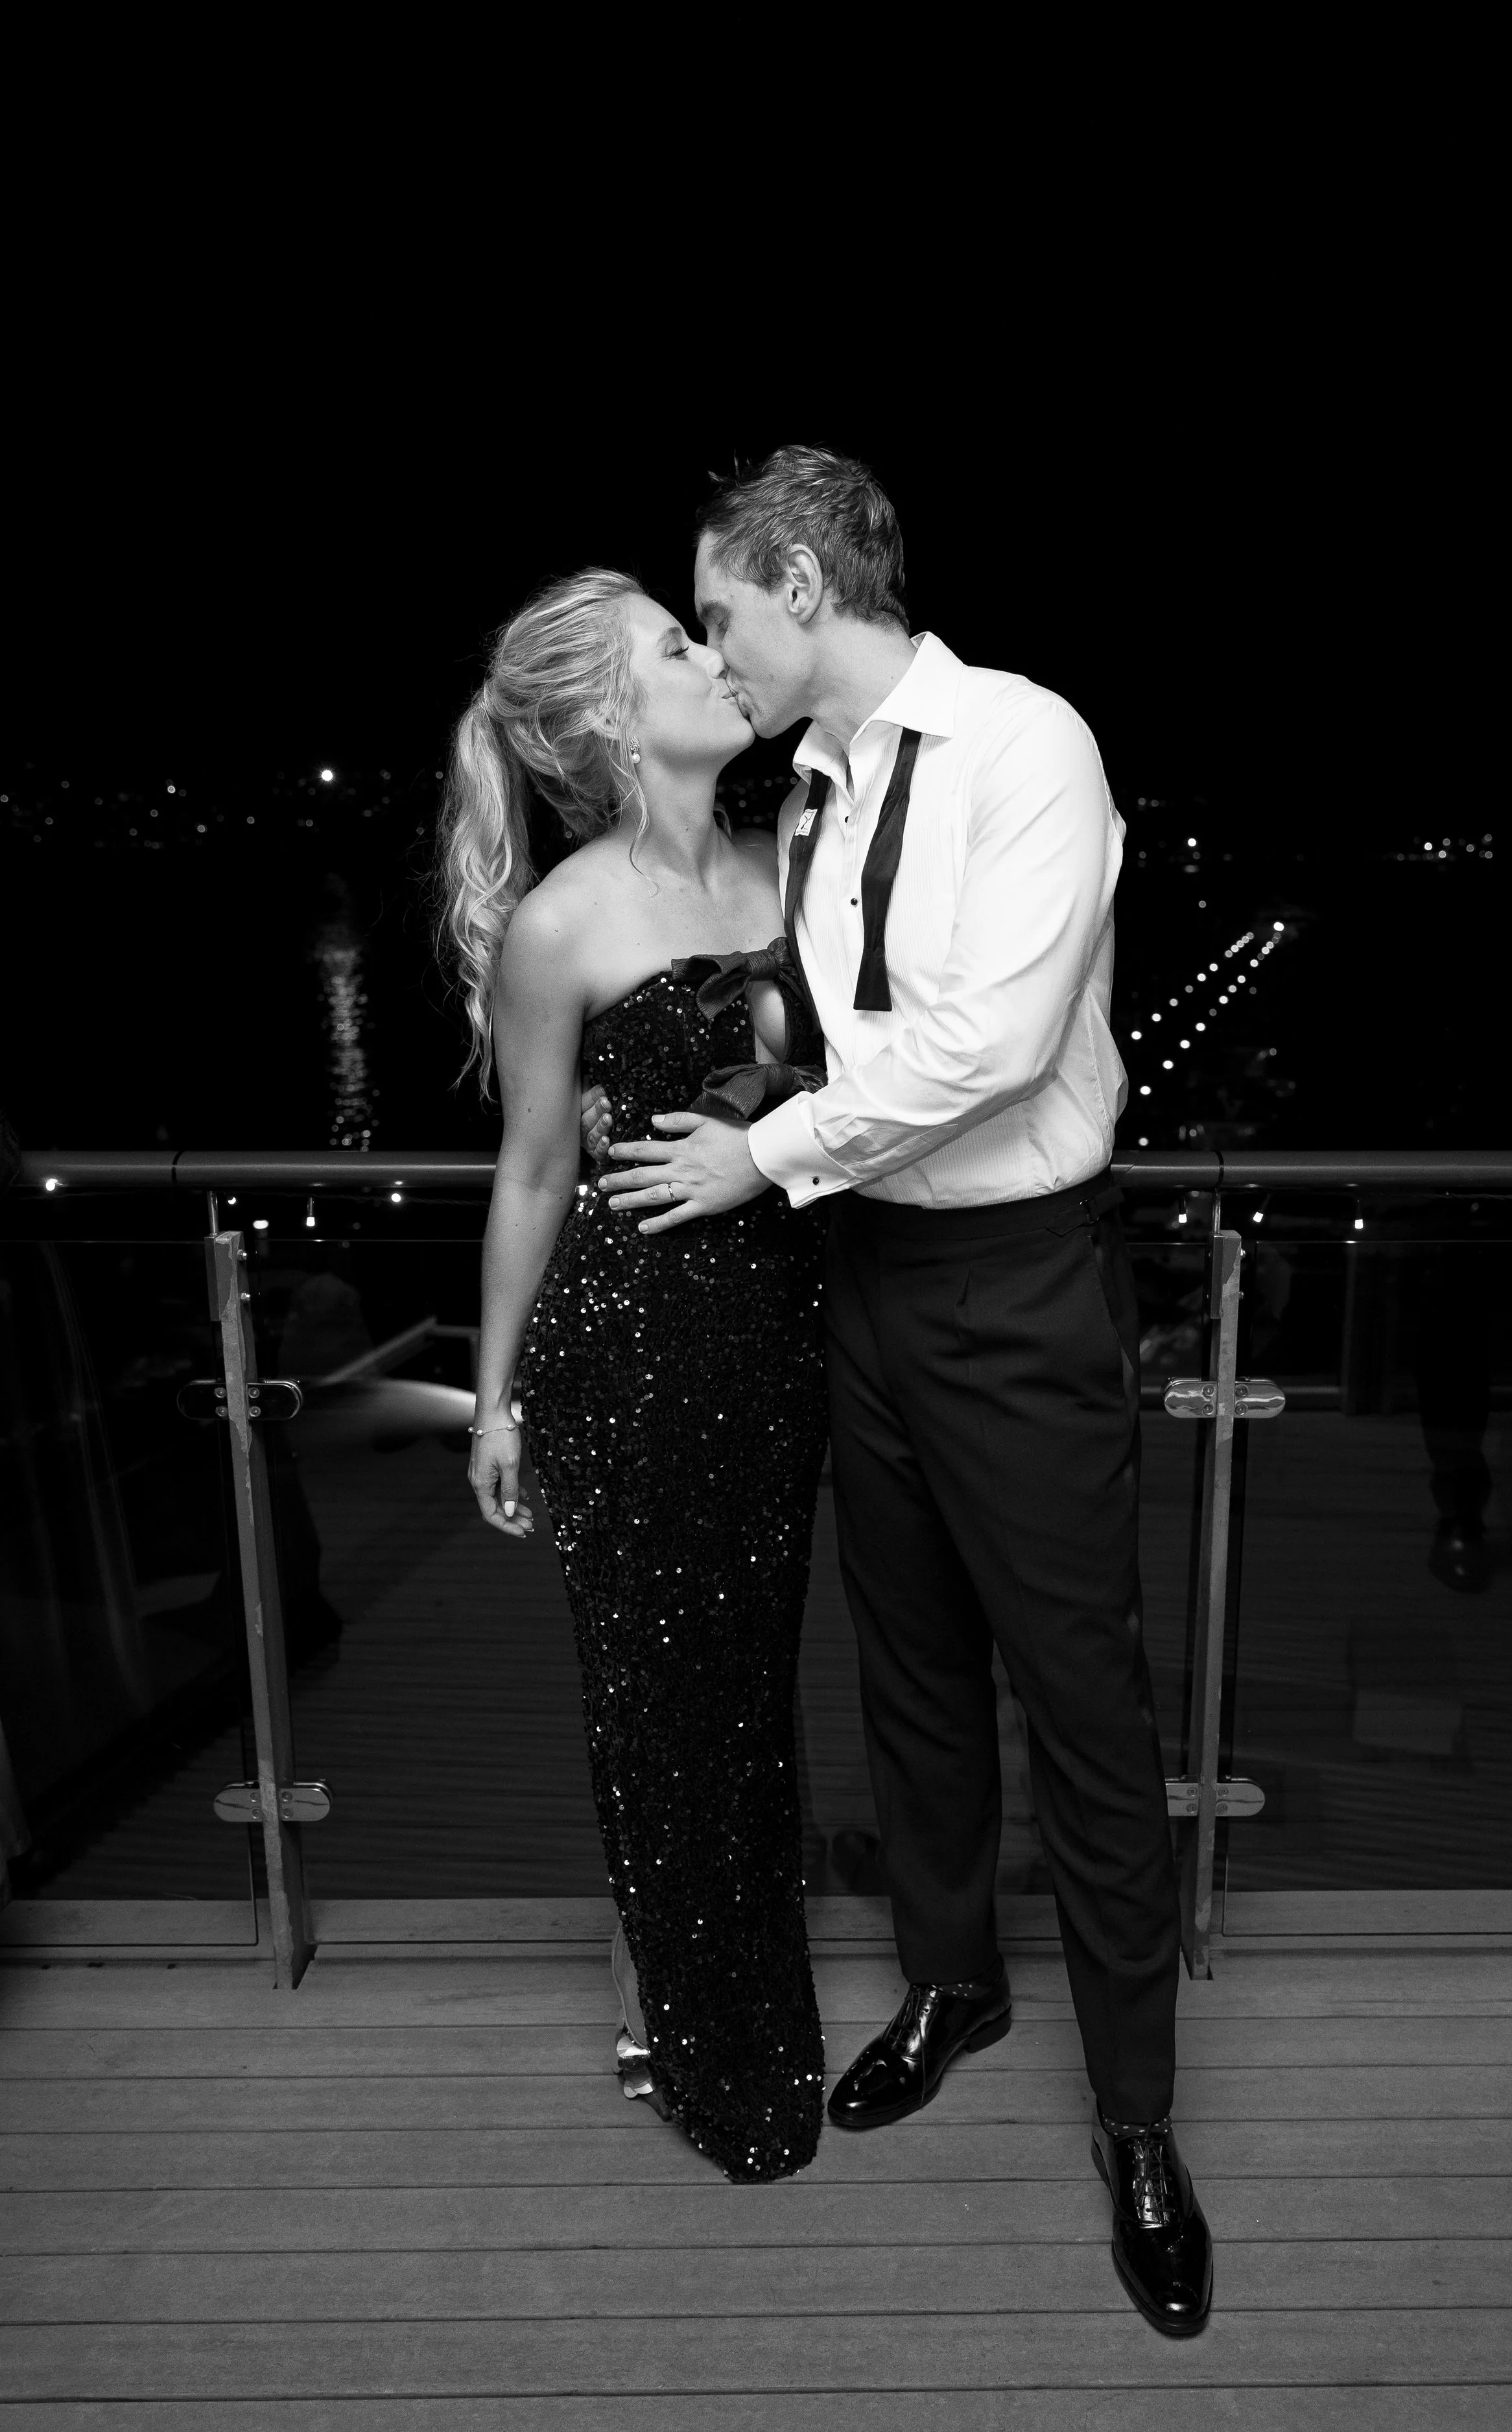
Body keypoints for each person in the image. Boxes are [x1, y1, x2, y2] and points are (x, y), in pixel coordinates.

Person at [600, 447, 1212, 2334]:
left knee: (1082, 1704)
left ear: (799, 581)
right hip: (865, 1275)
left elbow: (991, 1041)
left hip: (1015, 1285)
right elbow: (846, 1012)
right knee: (914, 1672)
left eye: (720, 611)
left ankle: (1134, 2118)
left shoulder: (1027, 742)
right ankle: (956, 1981)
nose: (717, 647)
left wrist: (760, 1154)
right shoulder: (812, 790)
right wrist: (748, 1072)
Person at [438, 568, 829, 2184]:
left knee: (752, 1703)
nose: (712, 654)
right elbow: (534, 1171)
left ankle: (736, 2012)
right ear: (611, 717)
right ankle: (709, 2054)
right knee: (663, 1716)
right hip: (637, 1354)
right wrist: (497, 1394)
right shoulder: (562, 920)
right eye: (678, 644)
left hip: (781, 1344)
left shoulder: (782, 864)